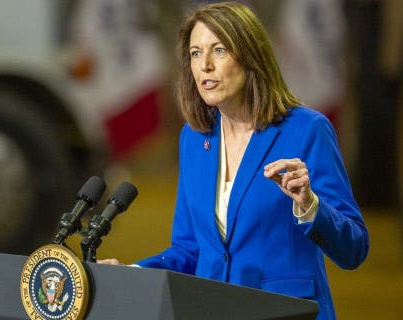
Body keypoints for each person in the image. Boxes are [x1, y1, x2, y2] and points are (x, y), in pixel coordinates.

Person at [99, 2, 369, 319]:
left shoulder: (306, 131)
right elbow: (189, 250)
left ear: (250, 56)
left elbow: (354, 249)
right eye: (196, 53)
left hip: (284, 312)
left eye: (219, 50)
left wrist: (310, 206)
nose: (205, 66)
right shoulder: (194, 138)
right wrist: (132, 273)